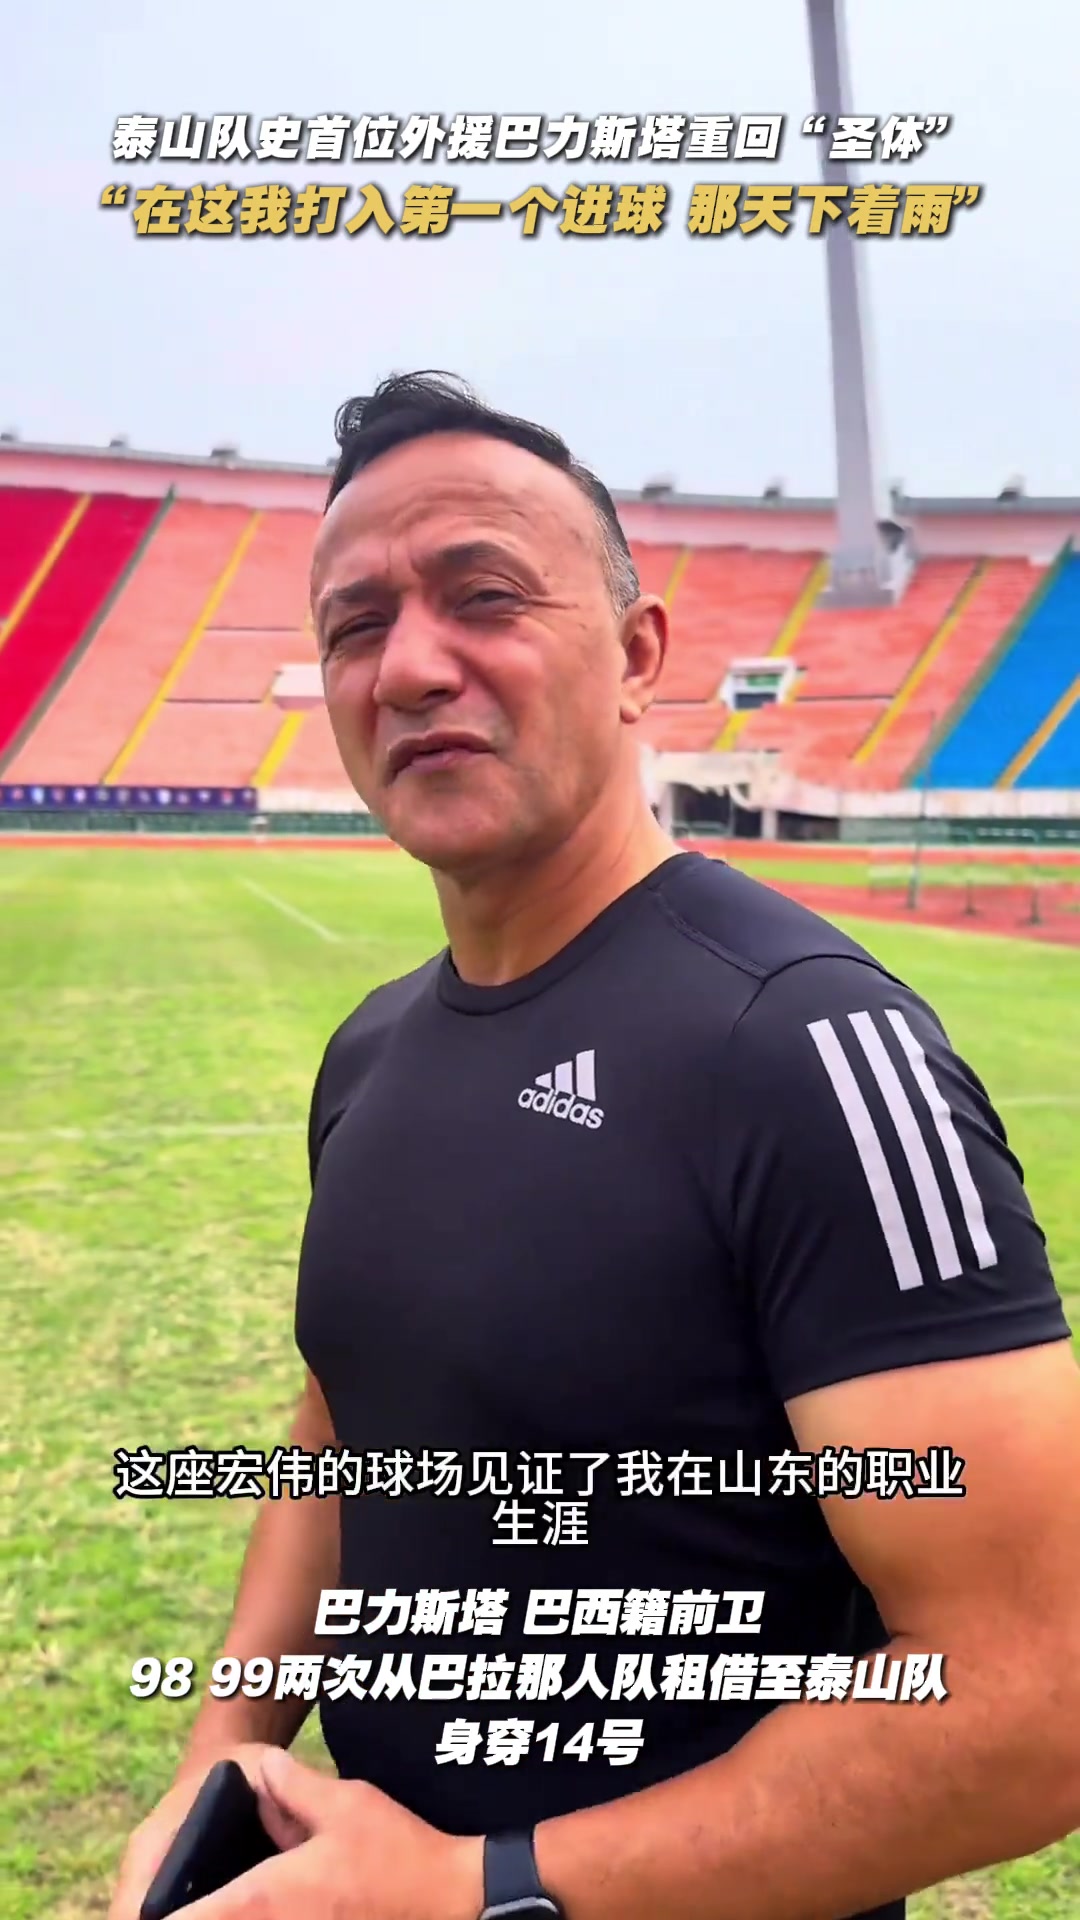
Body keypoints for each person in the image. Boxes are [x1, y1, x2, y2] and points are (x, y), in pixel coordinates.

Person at [110, 372, 1080, 1920]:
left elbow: (1034, 1703)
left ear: (637, 656)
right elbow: (349, 1425)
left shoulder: (809, 1045)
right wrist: (220, 1758)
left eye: (483, 596)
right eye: (357, 625)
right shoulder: (371, 1051)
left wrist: (482, 1888)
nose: (410, 664)